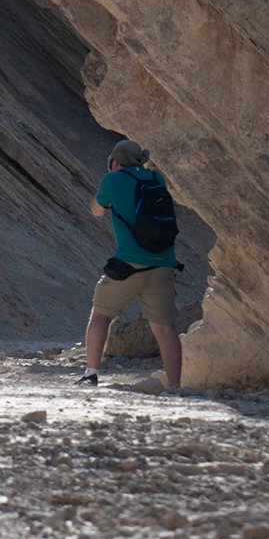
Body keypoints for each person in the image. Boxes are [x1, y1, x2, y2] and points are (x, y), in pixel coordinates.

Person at [77, 140, 180, 388]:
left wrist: (105, 197)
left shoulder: (112, 179)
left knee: (100, 315)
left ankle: (91, 375)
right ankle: (175, 387)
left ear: (114, 161)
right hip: (163, 264)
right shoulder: (156, 178)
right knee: (165, 329)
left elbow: (97, 211)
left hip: (127, 266)